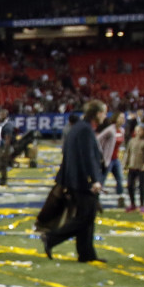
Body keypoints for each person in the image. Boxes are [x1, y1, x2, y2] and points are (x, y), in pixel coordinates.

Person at [43, 99, 106, 262]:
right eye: (104, 113)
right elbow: (88, 158)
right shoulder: (85, 130)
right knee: (85, 217)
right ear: (97, 113)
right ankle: (51, 238)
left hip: (74, 179)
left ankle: (86, 254)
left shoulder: (78, 127)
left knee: (87, 217)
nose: (105, 116)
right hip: (82, 181)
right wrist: (93, 180)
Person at [123, 122, 144, 213]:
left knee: (141, 187)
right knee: (130, 186)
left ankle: (142, 205)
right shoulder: (132, 141)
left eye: (139, 130)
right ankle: (132, 204)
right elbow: (127, 153)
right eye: (136, 130)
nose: (137, 132)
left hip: (142, 167)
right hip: (132, 166)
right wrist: (125, 165)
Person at [97, 111, 125, 207]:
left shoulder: (122, 130)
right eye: (120, 117)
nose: (122, 119)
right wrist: (101, 153)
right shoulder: (110, 130)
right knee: (102, 179)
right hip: (107, 159)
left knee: (120, 179)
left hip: (116, 159)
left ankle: (120, 198)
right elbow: (98, 140)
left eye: (123, 117)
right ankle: (96, 199)